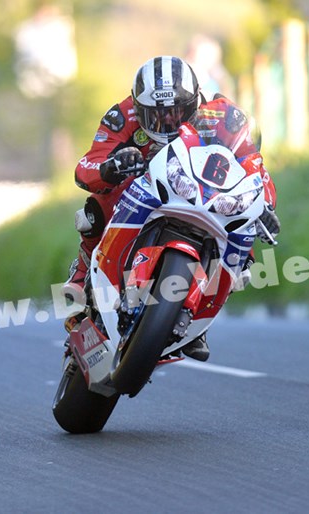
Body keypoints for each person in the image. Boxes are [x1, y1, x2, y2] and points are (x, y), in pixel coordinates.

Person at [63, 55, 280, 361]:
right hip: (143, 186)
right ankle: (81, 276)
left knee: (246, 251)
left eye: (176, 113)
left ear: (194, 102)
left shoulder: (224, 117)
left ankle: (197, 317)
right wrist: (111, 168)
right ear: (139, 108)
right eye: (156, 115)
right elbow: (88, 164)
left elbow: (254, 166)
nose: (167, 121)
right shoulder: (122, 115)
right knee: (94, 210)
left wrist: (266, 204)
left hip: (203, 194)